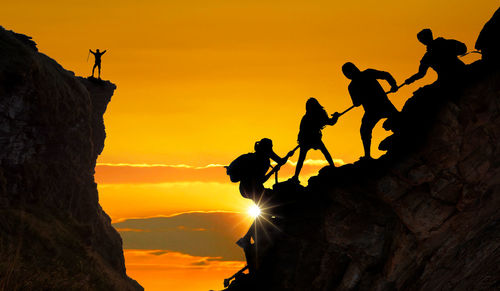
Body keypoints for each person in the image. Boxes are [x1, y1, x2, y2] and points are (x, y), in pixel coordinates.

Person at [227, 138, 294, 249]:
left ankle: (247, 238)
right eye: (270, 148)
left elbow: (279, 161)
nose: (271, 150)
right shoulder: (261, 161)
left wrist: (287, 156)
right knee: (267, 211)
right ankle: (247, 238)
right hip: (253, 189)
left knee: (266, 210)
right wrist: (275, 169)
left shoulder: (256, 157)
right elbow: (261, 180)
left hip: (247, 189)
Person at [342, 62, 399, 160]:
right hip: (377, 108)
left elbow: (357, 103)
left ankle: (367, 155)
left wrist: (393, 84)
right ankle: (367, 155)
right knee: (365, 130)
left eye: (347, 74)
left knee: (365, 131)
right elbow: (386, 75)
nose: (347, 76)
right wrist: (393, 84)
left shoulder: (354, 84)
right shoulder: (363, 77)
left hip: (378, 107)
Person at [290, 98, 339, 183]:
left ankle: (296, 176)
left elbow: (330, 122)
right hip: (311, 138)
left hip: (310, 139)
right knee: (324, 152)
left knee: (302, 158)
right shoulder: (316, 115)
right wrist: (335, 117)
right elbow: (330, 122)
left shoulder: (309, 116)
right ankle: (332, 166)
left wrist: (335, 117)